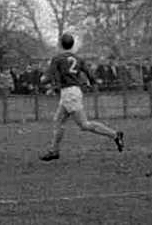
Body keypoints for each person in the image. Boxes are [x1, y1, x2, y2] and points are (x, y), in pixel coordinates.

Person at [39, 33, 125, 162]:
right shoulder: (78, 59)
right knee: (58, 120)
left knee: (84, 125)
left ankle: (115, 135)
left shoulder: (57, 59)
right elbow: (90, 74)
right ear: (72, 44)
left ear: (60, 44)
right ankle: (54, 150)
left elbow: (51, 78)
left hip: (69, 93)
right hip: (74, 91)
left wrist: (47, 83)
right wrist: (93, 83)